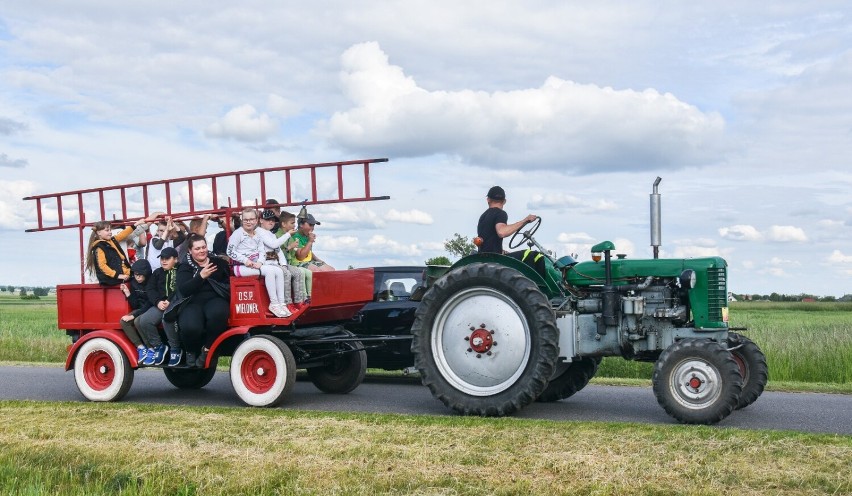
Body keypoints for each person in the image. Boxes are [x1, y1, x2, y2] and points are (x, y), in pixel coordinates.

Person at [227, 208, 304, 318]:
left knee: (279, 270)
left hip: (255, 265)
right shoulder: (237, 234)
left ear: (256, 220)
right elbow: (229, 251)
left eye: (251, 219)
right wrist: (246, 260)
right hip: (241, 267)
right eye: (246, 220)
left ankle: (281, 303)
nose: (249, 222)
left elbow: (262, 251)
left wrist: (260, 262)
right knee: (270, 271)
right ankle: (273, 303)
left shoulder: (256, 234)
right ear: (242, 219)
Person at [177, 234, 230, 368]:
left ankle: (207, 349)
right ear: (190, 250)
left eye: (204, 247)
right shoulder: (184, 266)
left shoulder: (218, 263)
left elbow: (228, 283)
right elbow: (184, 289)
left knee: (219, 313)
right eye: (197, 248)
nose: (202, 251)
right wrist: (201, 276)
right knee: (190, 326)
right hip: (193, 301)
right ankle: (190, 351)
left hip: (215, 298)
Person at [476, 186, 547, 274]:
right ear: (504, 201)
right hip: (495, 259)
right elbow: (502, 232)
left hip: (486, 257)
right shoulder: (500, 213)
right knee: (536, 256)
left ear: (488, 200)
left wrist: (501, 251)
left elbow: (488, 242)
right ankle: (539, 287)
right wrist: (525, 220)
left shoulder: (483, 216)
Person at [136, 247, 183, 367]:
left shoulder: (181, 271)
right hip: (160, 304)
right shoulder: (157, 273)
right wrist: (158, 302)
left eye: (167, 258)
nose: (163, 261)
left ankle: (175, 348)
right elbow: (150, 289)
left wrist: (170, 300)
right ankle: (158, 346)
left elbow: (181, 288)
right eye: (162, 258)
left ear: (176, 259)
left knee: (167, 318)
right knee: (144, 320)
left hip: (177, 304)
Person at [85, 213, 160, 286]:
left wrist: (136, 224)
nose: (110, 232)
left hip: (120, 274)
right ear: (99, 233)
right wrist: (118, 275)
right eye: (107, 230)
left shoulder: (111, 240)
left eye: (110, 230)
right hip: (115, 277)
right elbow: (102, 266)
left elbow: (124, 233)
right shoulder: (101, 246)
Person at [260, 209, 308, 307]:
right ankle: (287, 303)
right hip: (266, 263)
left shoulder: (271, 234)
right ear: (261, 220)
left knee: (297, 272)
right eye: (268, 219)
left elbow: (278, 251)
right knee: (285, 273)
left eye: (273, 220)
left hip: (276, 263)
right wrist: (288, 234)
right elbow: (273, 245)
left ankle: (299, 301)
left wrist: (284, 264)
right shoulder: (259, 232)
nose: (271, 222)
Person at [118, 259, 154, 363]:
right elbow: (135, 305)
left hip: (151, 308)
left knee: (138, 320)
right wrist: (127, 292)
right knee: (124, 322)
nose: (137, 277)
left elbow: (149, 303)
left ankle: (151, 348)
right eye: (135, 274)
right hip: (140, 309)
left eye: (140, 274)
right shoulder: (134, 282)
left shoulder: (151, 282)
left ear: (146, 273)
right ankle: (141, 348)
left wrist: (134, 316)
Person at [281, 211, 312, 300]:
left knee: (308, 273)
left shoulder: (290, 236)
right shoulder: (279, 236)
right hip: (284, 264)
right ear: (283, 224)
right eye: (292, 223)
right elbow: (276, 252)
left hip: (291, 263)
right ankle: (301, 299)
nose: (295, 225)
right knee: (300, 272)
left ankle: (308, 296)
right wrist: (290, 247)